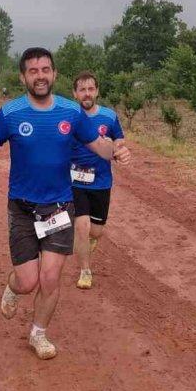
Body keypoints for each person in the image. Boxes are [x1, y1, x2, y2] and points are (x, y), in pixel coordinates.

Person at [0, 48, 130, 359]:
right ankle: (13, 287)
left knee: (51, 277)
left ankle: (38, 334)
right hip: (22, 208)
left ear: (54, 74)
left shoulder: (72, 113)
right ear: (23, 76)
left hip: (59, 208)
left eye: (45, 69)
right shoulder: (11, 113)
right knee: (29, 281)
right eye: (33, 70)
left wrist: (118, 151)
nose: (40, 75)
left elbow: (101, 147)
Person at [70, 71, 126, 290]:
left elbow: (119, 140)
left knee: (96, 231)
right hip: (74, 181)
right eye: (82, 89)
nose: (87, 93)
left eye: (90, 89)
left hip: (101, 181)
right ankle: (85, 270)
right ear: (75, 93)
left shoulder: (109, 116)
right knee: (81, 226)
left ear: (97, 91)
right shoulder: (69, 117)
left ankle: (89, 241)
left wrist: (118, 148)